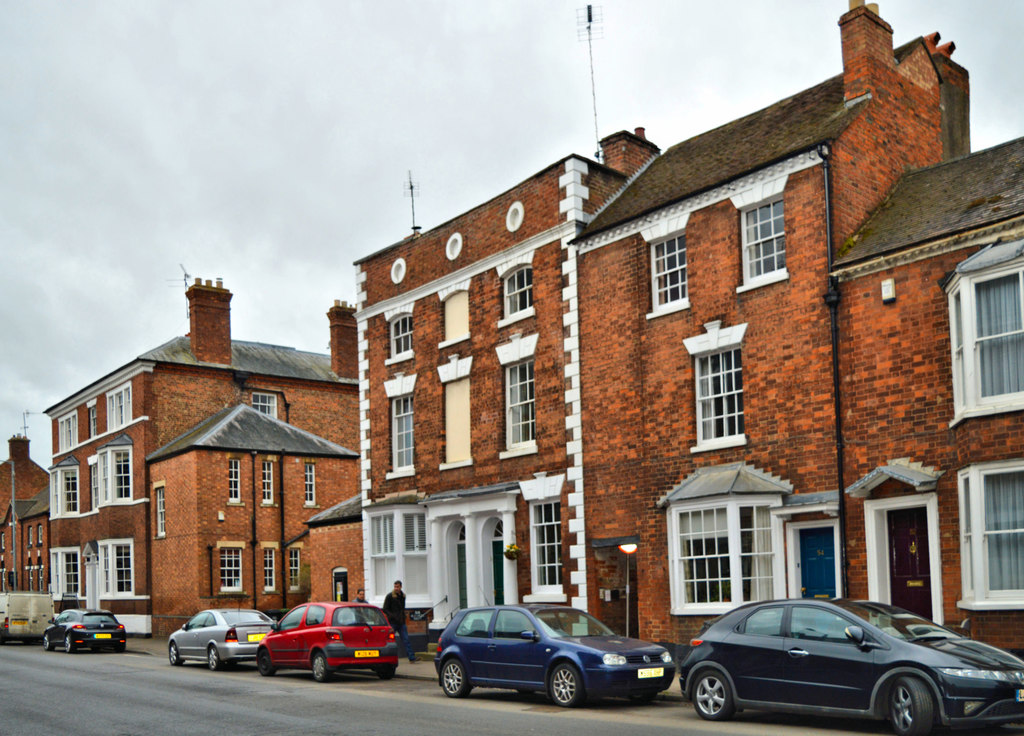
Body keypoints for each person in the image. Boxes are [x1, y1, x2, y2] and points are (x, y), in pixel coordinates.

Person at [382, 579, 416, 662]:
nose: (396, 588)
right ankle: (385, 657)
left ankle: (412, 658)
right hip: (393, 622)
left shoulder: (403, 596)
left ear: (401, 587)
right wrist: (392, 616)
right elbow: (385, 609)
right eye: (395, 587)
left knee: (406, 640)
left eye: (397, 587)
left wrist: (403, 616)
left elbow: (402, 608)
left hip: (401, 622)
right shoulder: (390, 596)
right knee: (388, 640)